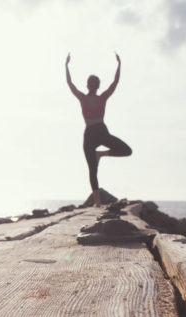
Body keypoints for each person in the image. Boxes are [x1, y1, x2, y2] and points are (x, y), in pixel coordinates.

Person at [65, 52, 132, 206]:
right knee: (126, 151)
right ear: (98, 86)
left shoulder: (83, 98)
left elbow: (70, 84)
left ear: (88, 85)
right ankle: (102, 154)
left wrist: (66, 65)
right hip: (101, 131)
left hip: (90, 133)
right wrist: (119, 65)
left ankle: (97, 202)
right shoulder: (102, 98)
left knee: (92, 169)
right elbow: (115, 83)